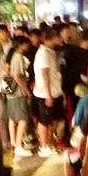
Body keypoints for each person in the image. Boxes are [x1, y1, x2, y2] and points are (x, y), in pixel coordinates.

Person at [33, 27, 64, 156]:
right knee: (44, 121)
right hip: (46, 93)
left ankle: (49, 144)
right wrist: (48, 95)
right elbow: (44, 74)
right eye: (59, 37)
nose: (61, 39)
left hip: (54, 91)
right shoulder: (43, 53)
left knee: (51, 120)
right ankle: (44, 146)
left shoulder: (49, 51)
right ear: (52, 38)